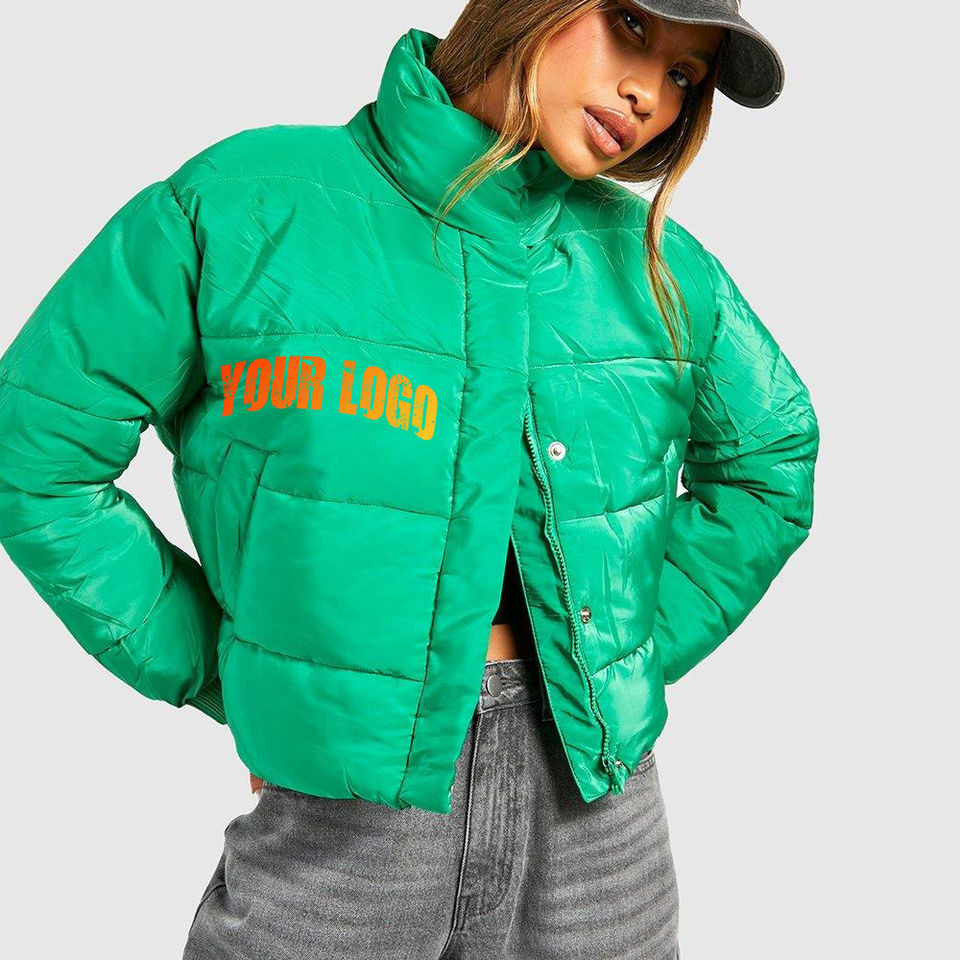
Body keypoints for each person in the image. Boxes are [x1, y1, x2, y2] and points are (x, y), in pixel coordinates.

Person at [0, 2, 819, 957]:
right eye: (632, 26)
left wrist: (610, 656)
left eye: (684, 74)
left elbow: (771, 461)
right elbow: (37, 453)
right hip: (345, 826)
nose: (649, 94)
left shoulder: (656, 264)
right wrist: (242, 671)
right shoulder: (243, 206)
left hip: (601, 827)